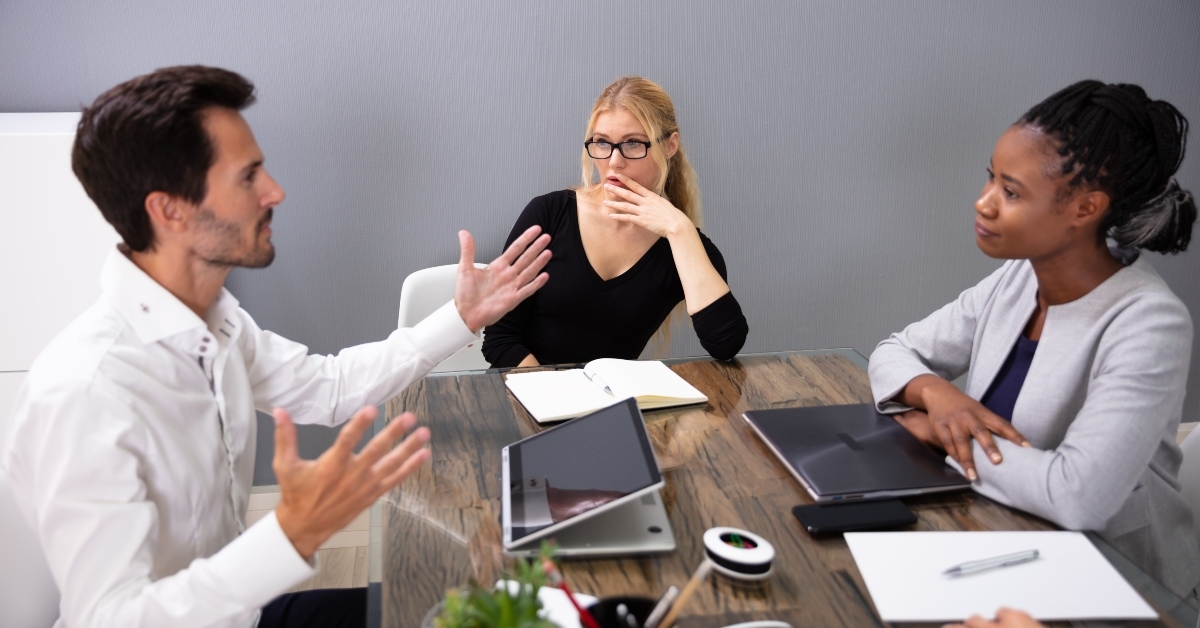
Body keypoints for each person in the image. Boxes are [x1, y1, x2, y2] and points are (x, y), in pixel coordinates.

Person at [0, 66, 551, 628]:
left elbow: (332, 388)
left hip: (244, 617)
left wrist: (462, 317)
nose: (275, 192)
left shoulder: (218, 325)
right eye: (248, 177)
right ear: (169, 210)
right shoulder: (84, 393)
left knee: (484, 613)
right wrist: (292, 534)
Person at [868, 80, 1200, 598]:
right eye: (991, 179)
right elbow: (896, 350)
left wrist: (944, 439)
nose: (984, 203)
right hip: (1001, 540)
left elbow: (1078, 495)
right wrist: (940, 396)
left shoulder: (1150, 323)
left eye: (1011, 191)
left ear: (1086, 208)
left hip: (1117, 584)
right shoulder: (1020, 276)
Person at [482, 76, 748, 367]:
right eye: (602, 143)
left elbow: (726, 344)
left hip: (610, 405)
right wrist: (555, 398)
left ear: (670, 146)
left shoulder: (683, 244)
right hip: (526, 394)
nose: (614, 162)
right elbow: (499, 339)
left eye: (633, 143)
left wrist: (679, 229)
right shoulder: (549, 214)